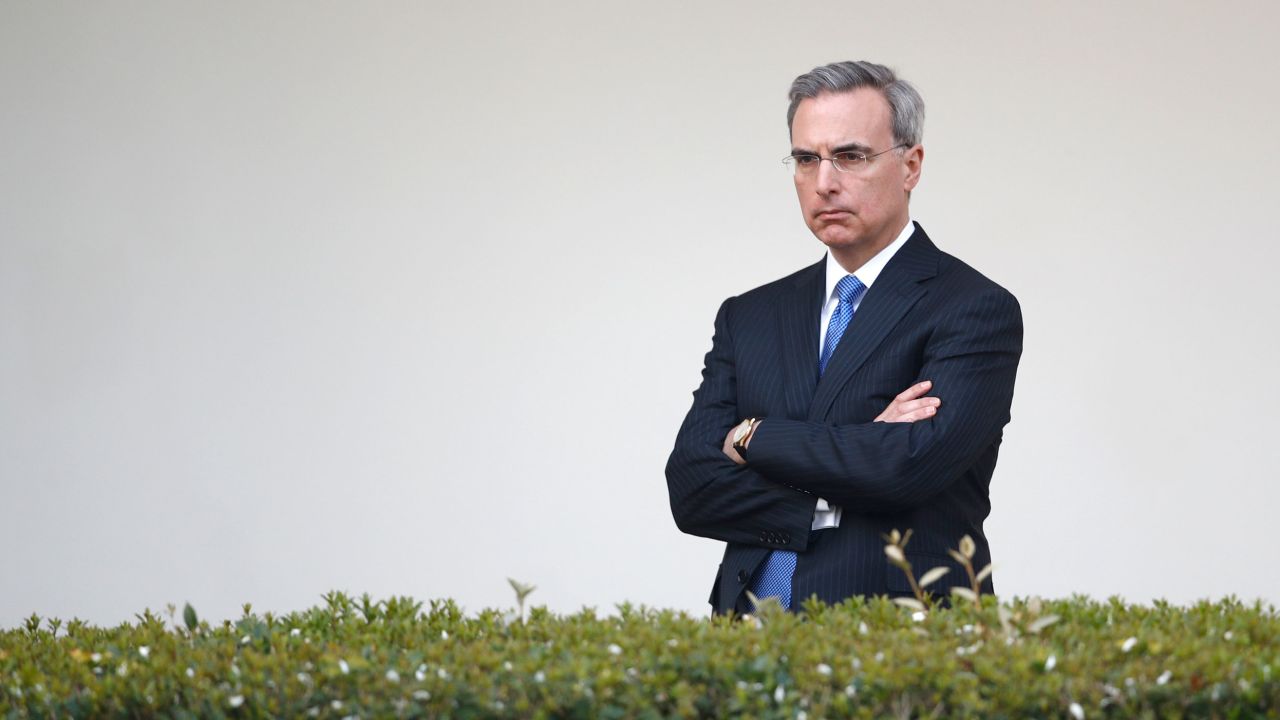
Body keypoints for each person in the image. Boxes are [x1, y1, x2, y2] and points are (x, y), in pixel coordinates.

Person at [665, 61, 1023, 615]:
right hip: (744, 647)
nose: (825, 182)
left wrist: (751, 436)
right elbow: (691, 489)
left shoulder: (973, 308)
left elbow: (905, 468)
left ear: (911, 165)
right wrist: (853, 456)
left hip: (898, 647)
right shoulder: (751, 315)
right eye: (807, 159)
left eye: (851, 156)